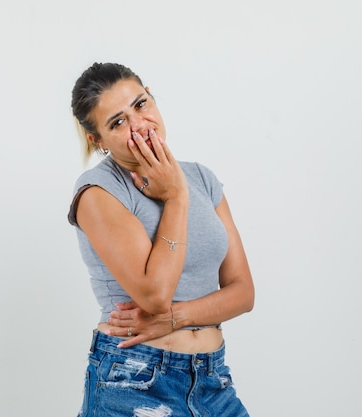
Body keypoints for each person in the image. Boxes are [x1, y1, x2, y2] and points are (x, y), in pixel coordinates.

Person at [68, 62, 254, 417]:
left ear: (151, 97)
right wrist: (175, 197)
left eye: (140, 104)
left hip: (213, 380)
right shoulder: (99, 192)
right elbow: (155, 294)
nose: (139, 125)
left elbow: (243, 292)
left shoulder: (201, 177)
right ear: (97, 140)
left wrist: (176, 318)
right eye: (117, 122)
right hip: (135, 380)